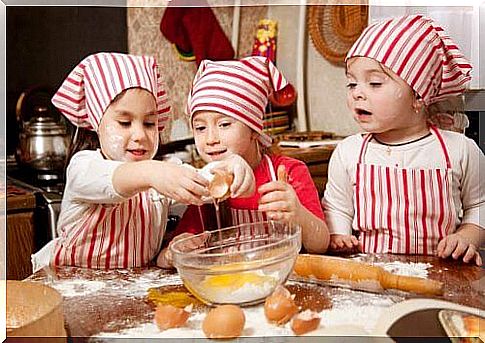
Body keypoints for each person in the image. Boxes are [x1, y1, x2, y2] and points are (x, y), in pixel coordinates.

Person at [31, 52, 254, 270]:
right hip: (69, 288)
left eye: (149, 124)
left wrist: (231, 167)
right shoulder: (84, 166)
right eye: (125, 123)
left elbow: (203, 184)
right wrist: (154, 173)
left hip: (133, 292)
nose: (140, 135)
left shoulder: (162, 175)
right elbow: (116, 179)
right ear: (98, 122)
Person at [322, 15, 484, 265]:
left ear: (418, 96)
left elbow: (480, 204)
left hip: (443, 274)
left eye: (374, 83)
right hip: (372, 276)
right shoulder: (349, 152)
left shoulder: (458, 150)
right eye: (352, 83)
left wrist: (467, 236)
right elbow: (337, 207)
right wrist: (340, 235)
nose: (357, 93)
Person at [158, 56, 330, 267]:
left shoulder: (288, 172)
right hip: (230, 288)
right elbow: (167, 257)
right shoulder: (207, 187)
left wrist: (298, 214)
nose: (211, 139)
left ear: (254, 130)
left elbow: (321, 244)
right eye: (201, 128)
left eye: (224, 124)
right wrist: (175, 251)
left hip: (283, 285)